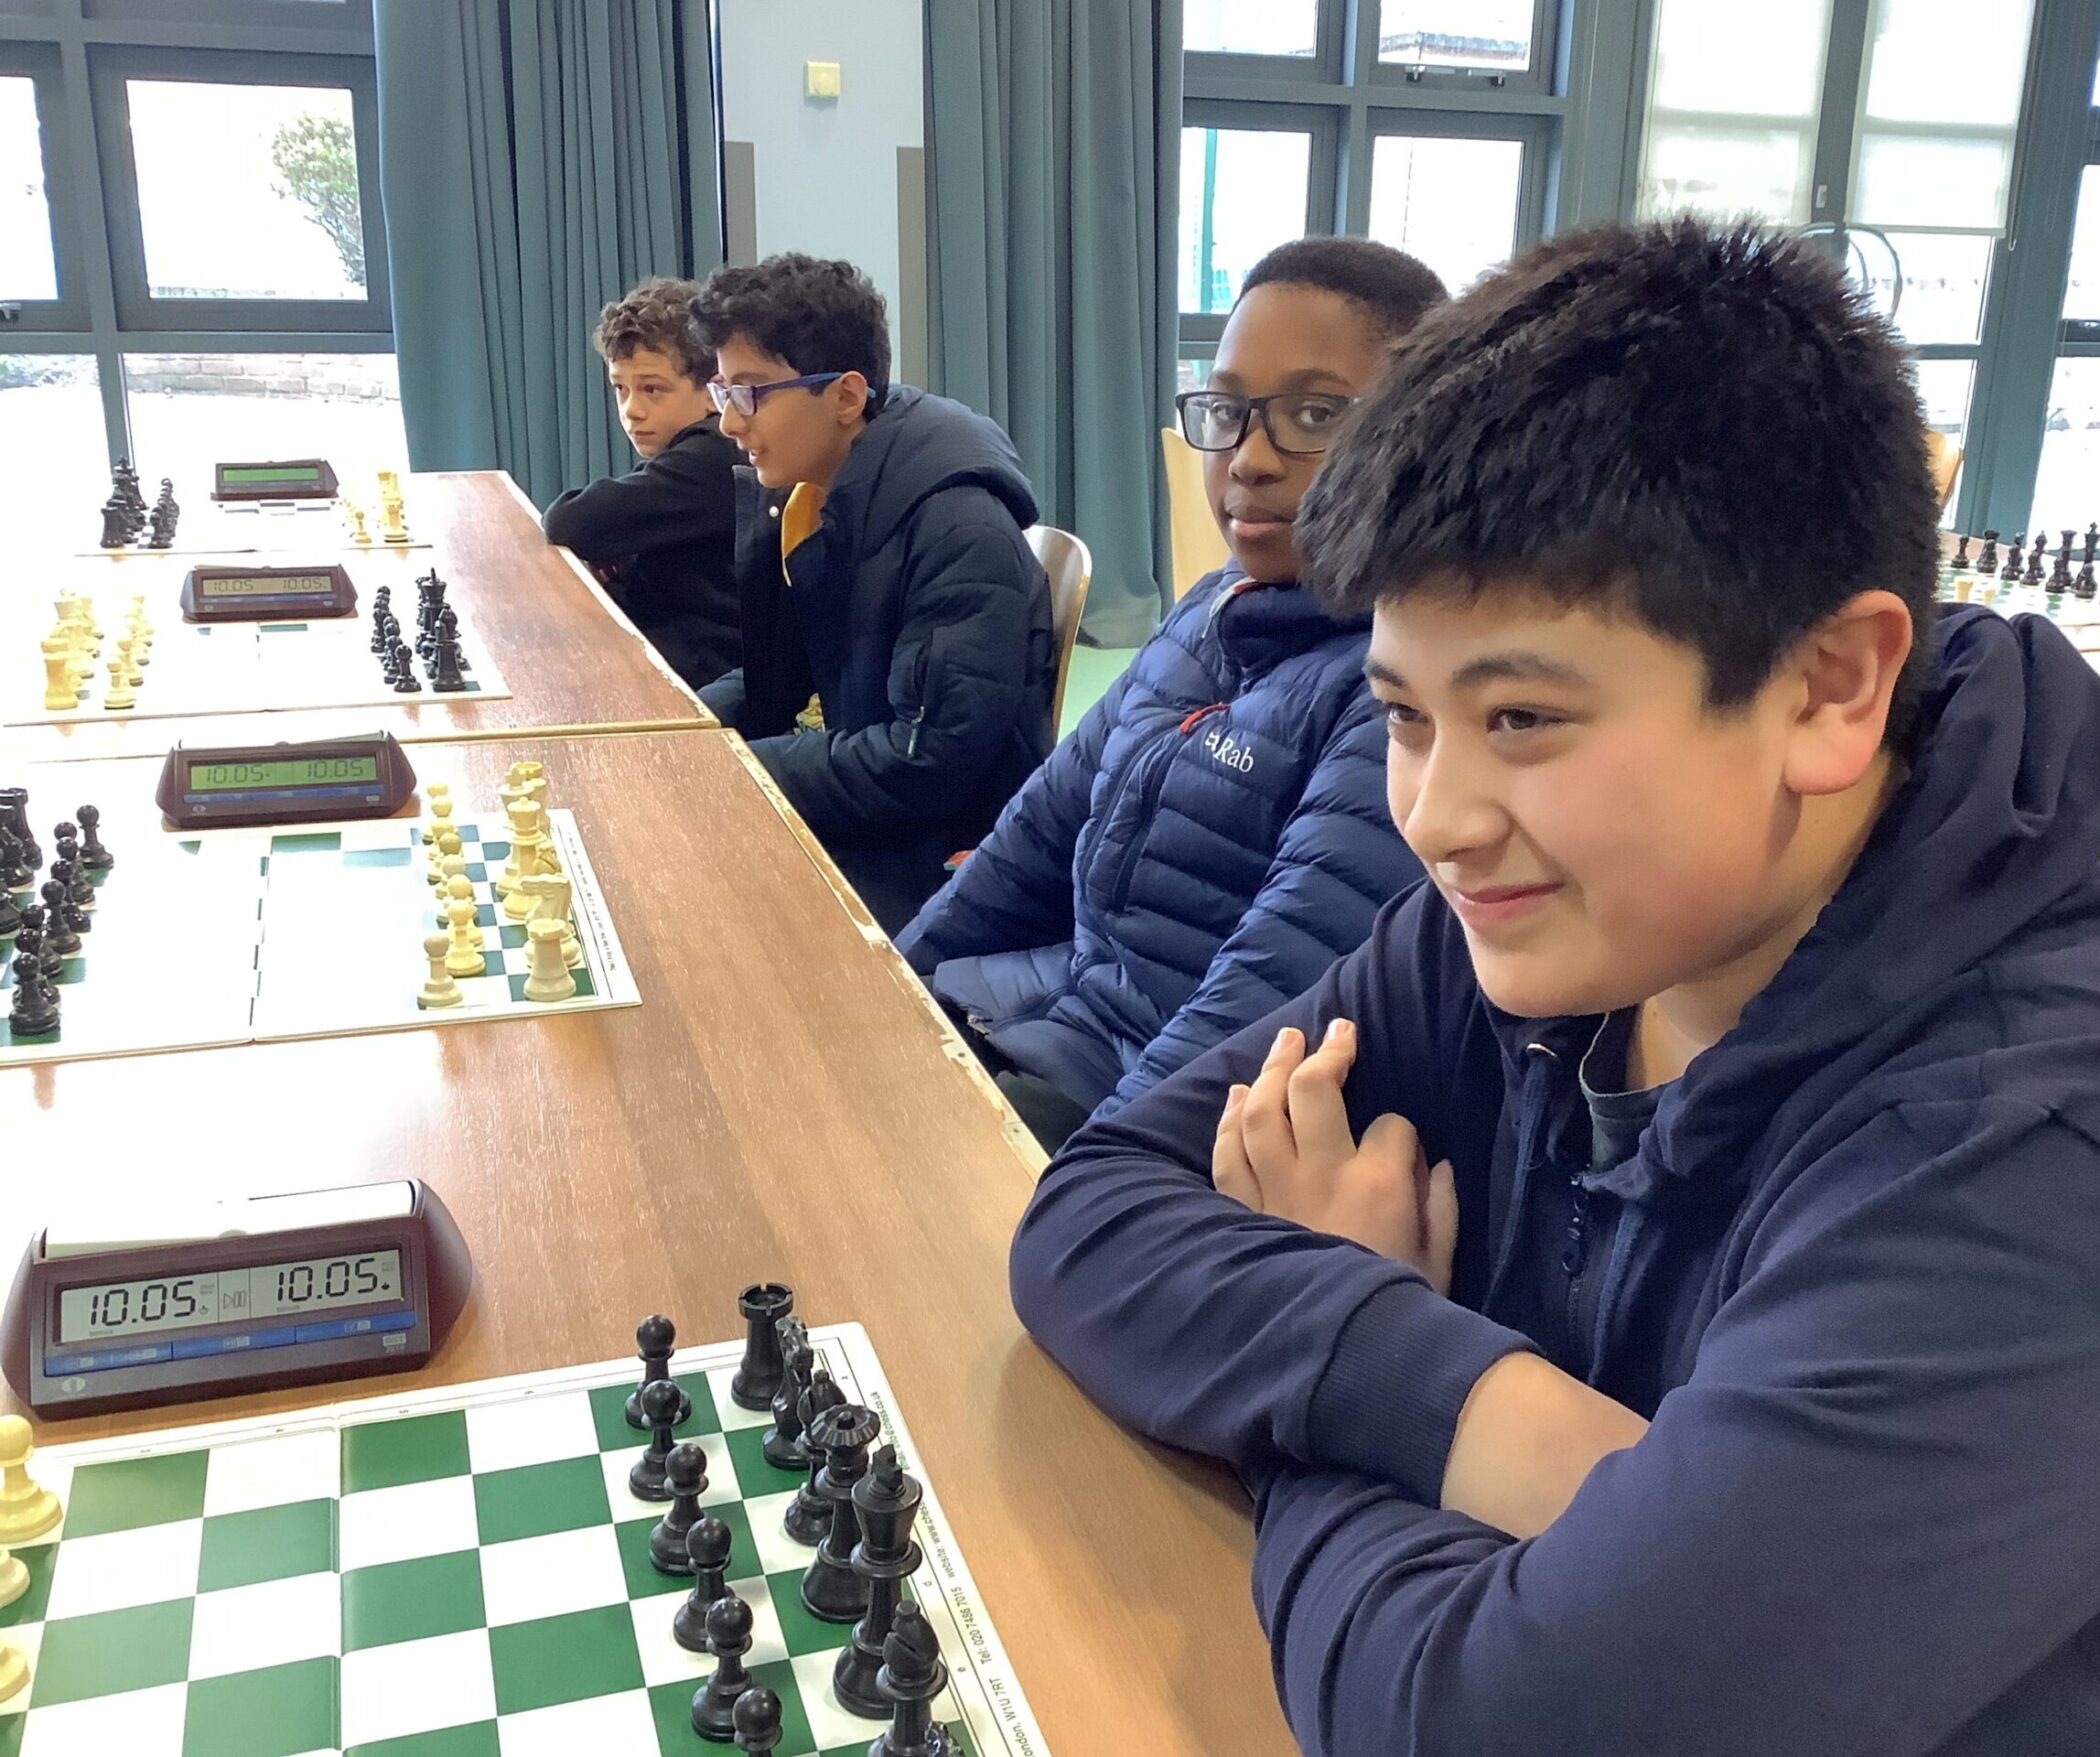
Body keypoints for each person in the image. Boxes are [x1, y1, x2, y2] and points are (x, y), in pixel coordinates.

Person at [1009, 217, 2100, 1754]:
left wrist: (1330, 1373)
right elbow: (1097, 1203)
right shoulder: (1551, 919)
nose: (1438, 816)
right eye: (1403, 714)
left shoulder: (2027, 1150)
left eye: (1521, 716)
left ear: (1830, 686)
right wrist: (1463, 1397)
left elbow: (1505, 1726)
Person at [897, 239, 1441, 1151]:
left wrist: (1089, 1188)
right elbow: (1034, 834)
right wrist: (888, 988)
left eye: (1312, 413)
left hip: (1137, 1118)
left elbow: (1259, 1008)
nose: (1250, 458)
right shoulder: (1208, 608)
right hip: (1038, 1018)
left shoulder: (1404, 689)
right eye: (1227, 411)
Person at [691, 255, 1054, 932]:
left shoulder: (958, 527)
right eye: (722, 392)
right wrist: (684, 723)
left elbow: (928, 761)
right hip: (885, 816)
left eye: (751, 392)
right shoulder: (821, 495)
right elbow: (784, 671)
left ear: (848, 396)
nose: (728, 424)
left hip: (950, 860)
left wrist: (735, 768)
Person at [542, 277, 742, 687]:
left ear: (712, 393)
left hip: (700, 674)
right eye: (620, 388)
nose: (632, 410)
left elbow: (570, 521)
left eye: (653, 389)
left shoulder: (711, 457)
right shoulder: (687, 450)